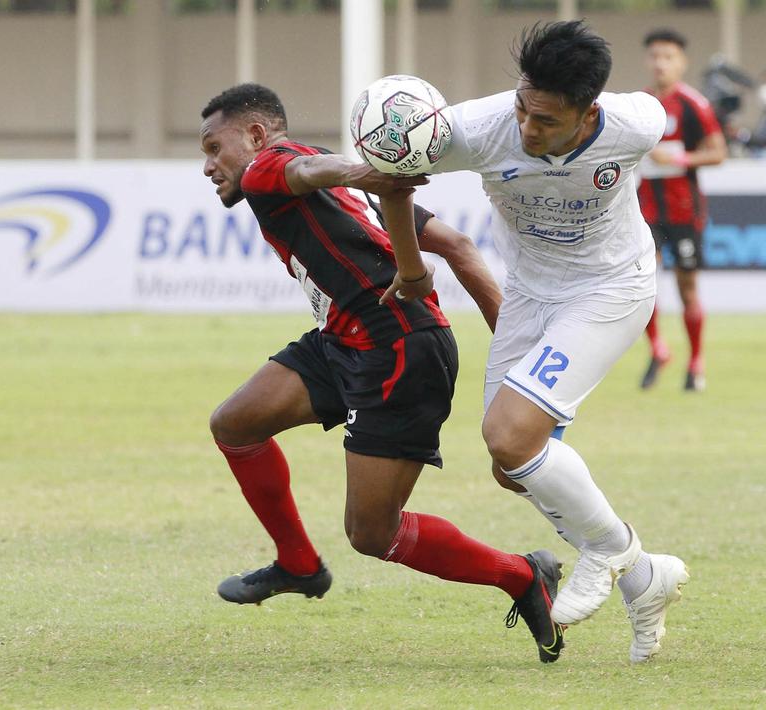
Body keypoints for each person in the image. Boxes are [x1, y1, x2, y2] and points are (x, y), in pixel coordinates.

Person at [200, 84, 565, 663]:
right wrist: (516, 356)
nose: (208, 166)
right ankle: (298, 565)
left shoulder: (271, 168)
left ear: (254, 136)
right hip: (344, 340)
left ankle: (522, 575)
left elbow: (300, 172)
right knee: (235, 424)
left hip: (398, 351)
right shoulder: (349, 189)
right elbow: (462, 248)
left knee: (373, 534)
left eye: (214, 147)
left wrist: (358, 171)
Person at [428, 21, 689, 663]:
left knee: (512, 437)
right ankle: (642, 575)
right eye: (521, 107)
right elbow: (392, 166)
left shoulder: (638, 123)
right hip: (529, 295)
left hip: (611, 289)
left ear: (588, 113)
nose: (526, 127)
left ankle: (605, 549)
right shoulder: (479, 128)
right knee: (511, 468)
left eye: (544, 119)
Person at [636, 28, 727, 393]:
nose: (661, 63)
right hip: (644, 210)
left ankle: (695, 360)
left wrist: (680, 157)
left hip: (684, 210)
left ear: (682, 62)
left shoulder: (694, 105)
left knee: (687, 287)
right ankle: (658, 348)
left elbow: (718, 152)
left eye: (668, 56)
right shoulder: (638, 105)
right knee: (641, 284)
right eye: (655, 56)